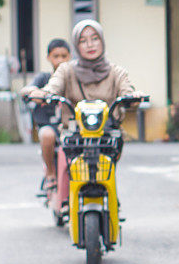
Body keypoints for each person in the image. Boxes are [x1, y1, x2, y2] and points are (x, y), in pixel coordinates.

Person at [22, 19, 144, 189]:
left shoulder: (117, 72)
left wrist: (133, 97)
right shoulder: (66, 70)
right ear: (76, 46)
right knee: (67, 166)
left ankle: (112, 202)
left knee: (108, 167)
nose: (90, 45)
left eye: (95, 38)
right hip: (74, 134)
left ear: (102, 41)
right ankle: (63, 199)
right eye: (83, 41)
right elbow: (52, 87)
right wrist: (42, 93)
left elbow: (127, 92)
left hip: (107, 134)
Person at [21, 39, 70, 190]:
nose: (60, 60)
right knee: (47, 135)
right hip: (50, 126)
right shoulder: (43, 79)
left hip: (70, 126)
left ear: (70, 56)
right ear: (48, 57)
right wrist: (36, 93)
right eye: (56, 56)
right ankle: (50, 174)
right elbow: (26, 90)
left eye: (64, 56)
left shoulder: (74, 79)